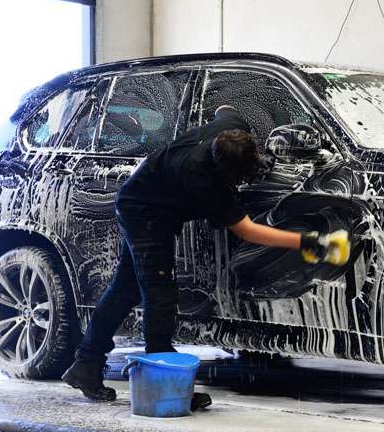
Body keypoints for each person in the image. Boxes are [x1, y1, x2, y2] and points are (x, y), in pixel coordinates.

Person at [62, 107, 348, 404]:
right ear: (224, 172)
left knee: (125, 289)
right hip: (146, 215)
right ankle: (165, 386)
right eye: (239, 178)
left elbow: (224, 109)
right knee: (160, 296)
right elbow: (247, 231)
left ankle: (86, 364)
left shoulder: (231, 125)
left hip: (141, 197)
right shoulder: (202, 179)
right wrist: (306, 242)